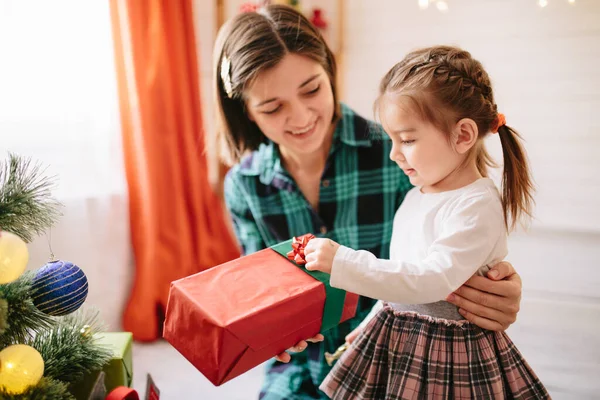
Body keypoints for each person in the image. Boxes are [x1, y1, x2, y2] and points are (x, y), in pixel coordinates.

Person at [212, 5, 524, 399]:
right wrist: (272, 327)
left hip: (398, 356)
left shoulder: (398, 154)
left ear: (330, 72)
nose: (302, 116)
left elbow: (453, 247)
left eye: (312, 89)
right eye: (273, 108)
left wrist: (498, 288)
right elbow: (265, 294)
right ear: (246, 112)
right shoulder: (244, 185)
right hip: (304, 369)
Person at [304, 45, 550, 399]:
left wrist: (345, 262)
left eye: (407, 140)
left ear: (463, 136)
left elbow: (431, 280)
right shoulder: (415, 197)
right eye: (391, 140)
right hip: (401, 342)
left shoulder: (476, 205)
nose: (393, 153)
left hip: (448, 353)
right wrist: (374, 320)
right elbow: (402, 271)